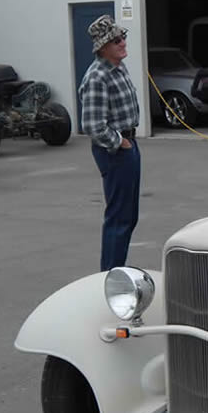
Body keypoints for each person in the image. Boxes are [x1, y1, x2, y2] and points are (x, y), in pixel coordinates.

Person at [79, 14, 141, 272]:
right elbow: (92, 125)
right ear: (103, 47)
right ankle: (110, 275)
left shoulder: (117, 67)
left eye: (122, 37)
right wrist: (121, 143)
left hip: (128, 144)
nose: (122, 42)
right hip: (115, 149)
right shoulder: (97, 77)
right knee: (119, 217)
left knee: (128, 215)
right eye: (116, 40)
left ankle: (117, 268)